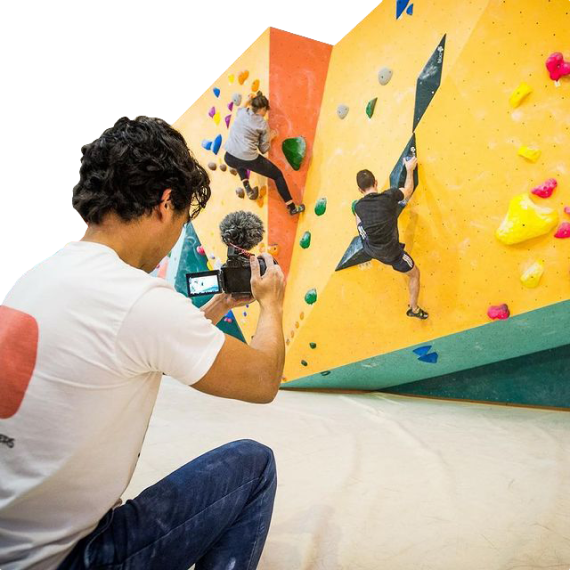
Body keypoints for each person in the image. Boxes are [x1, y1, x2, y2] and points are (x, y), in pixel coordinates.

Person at [0, 116, 286, 570]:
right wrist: (271, 303)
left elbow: (135, 342)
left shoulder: (34, 277)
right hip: (66, 560)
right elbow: (263, 380)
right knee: (254, 466)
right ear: (165, 202)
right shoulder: (137, 300)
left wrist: (216, 310)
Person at [354, 157, 428, 319]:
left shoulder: (358, 206)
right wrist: (409, 168)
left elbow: (359, 220)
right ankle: (414, 309)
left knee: (358, 218)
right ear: (376, 182)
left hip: (370, 248)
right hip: (392, 254)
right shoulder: (389, 196)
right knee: (415, 274)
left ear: (360, 191)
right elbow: (408, 189)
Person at [224, 91, 305, 215]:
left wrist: (248, 99)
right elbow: (263, 149)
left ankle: (246, 185)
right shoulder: (262, 124)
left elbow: (241, 108)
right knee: (277, 175)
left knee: (238, 160)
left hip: (229, 156)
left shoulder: (241, 113)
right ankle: (292, 207)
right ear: (262, 109)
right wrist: (271, 137)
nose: (266, 112)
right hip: (247, 157)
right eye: (265, 110)